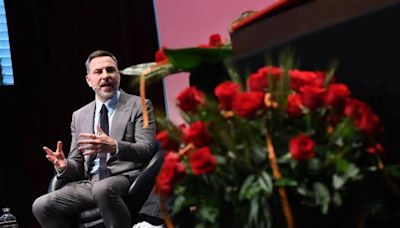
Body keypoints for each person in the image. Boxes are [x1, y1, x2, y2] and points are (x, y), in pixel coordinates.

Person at [32, 50, 162, 228]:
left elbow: (147, 149)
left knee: (103, 189)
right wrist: (63, 166)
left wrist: (115, 146)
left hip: (125, 177)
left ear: (118, 75)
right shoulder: (80, 116)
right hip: (90, 183)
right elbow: (77, 163)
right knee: (41, 206)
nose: (105, 76)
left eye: (110, 70)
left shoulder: (139, 105)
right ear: (89, 80)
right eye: (98, 72)